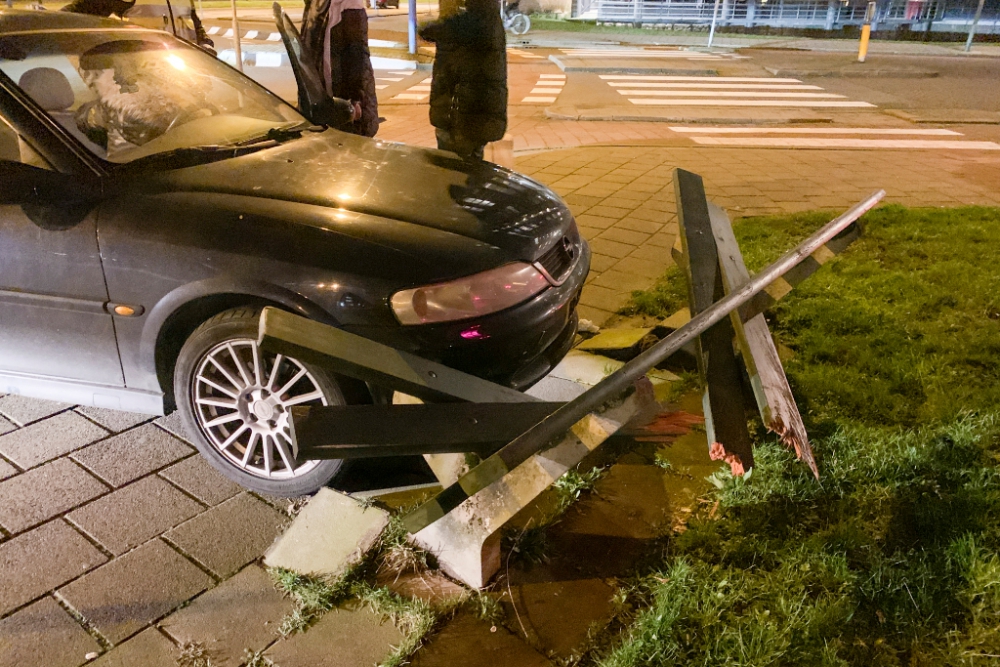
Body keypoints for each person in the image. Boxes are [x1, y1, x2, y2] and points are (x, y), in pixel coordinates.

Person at [418, 0, 507, 161]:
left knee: (456, 170)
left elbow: (432, 31)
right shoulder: (489, 18)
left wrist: (424, 27)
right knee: (473, 168)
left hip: (465, 115)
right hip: (477, 113)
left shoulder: (476, 19)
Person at [299, 0, 379, 137]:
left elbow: (357, 53)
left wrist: (355, 99)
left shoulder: (346, 4)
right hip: (325, 105)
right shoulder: (317, 5)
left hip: (344, 107)